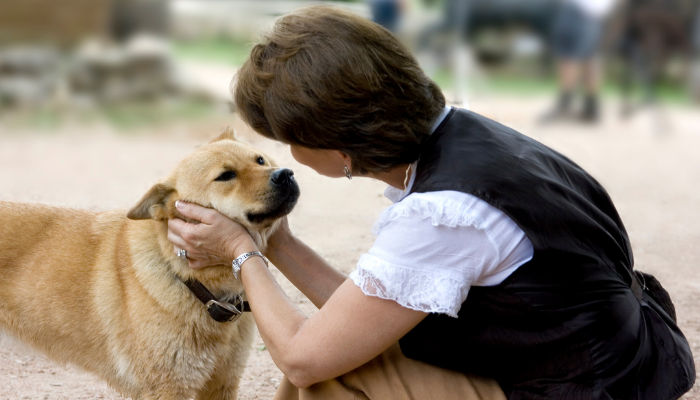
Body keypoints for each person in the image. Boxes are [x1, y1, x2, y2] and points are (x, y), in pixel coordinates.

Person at [167, 5, 695, 399]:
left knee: (322, 376)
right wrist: (275, 238)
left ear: (338, 145)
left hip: (589, 386)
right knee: (337, 347)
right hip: (617, 354)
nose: (283, 157)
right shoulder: (467, 140)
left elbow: (305, 358)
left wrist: (242, 251)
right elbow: (363, 313)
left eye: (286, 140)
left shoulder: (446, 214)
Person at [541, 0, 618, 123]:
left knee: (569, 57)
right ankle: (590, 107)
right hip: (588, 12)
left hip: (583, 11)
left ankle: (566, 104)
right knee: (589, 57)